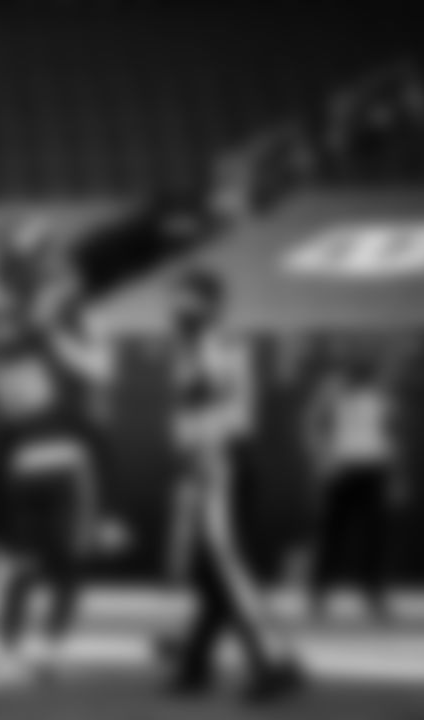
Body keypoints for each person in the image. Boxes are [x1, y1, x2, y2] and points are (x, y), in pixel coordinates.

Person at [0, 220, 126, 681]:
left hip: (61, 456)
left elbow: (102, 370)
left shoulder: (71, 316)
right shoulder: (11, 323)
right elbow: (7, 393)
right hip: (35, 457)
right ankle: (14, 650)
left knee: (59, 563)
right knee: (31, 563)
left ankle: (41, 650)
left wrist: (53, 337)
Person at [157, 268, 306, 703]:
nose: (175, 308)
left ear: (209, 304)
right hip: (208, 463)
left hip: (220, 460)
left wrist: (199, 453)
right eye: (174, 299)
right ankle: (195, 662)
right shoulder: (195, 346)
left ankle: (274, 662)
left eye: (185, 299)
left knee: (228, 566)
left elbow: (212, 399)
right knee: (211, 574)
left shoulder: (216, 343)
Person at [303, 357, 407, 623]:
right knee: (331, 535)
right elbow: (313, 425)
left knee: (376, 537)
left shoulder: (383, 390)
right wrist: (321, 461)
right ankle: (318, 595)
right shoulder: (331, 390)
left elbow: (392, 432)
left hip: (374, 468)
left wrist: (395, 475)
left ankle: (375, 597)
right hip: (341, 469)